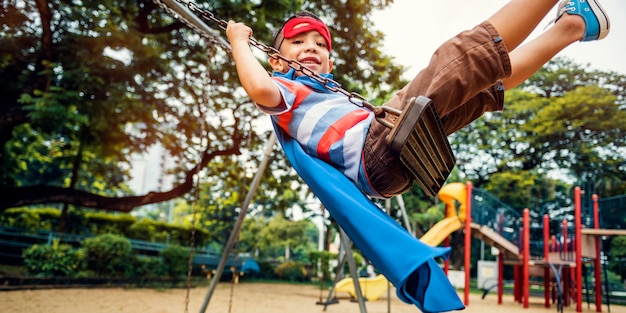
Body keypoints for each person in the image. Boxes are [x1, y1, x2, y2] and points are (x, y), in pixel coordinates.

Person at [226, 0, 610, 199]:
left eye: (320, 44)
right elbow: (260, 89)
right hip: (375, 149)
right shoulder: (288, 88)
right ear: (276, 60)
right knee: (458, 57)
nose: (311, 47)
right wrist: (239, 42)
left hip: (394, 161)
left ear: (329, 61)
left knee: (480, 88)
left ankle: (571, 27)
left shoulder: (325, 93)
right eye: (298, 41)